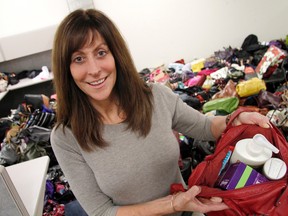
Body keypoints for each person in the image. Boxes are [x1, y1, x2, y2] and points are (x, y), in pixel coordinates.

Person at [50, 8, 271, 216]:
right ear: (66, 68)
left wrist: (236, 118)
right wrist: (172, 204)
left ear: (116, 54)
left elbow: (205, 127)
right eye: (79, 59)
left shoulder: (154, 97)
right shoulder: (66, 137)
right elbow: (101, 212)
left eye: (101, 53)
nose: (94, 69)